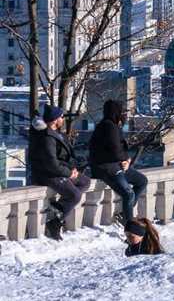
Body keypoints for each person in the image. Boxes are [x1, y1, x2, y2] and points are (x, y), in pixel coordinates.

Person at [28, 105, 92, 241]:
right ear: (54, 120)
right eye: (61, 117)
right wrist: (68, 174)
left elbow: (65, 156)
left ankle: (56, 208)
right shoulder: (47, 137)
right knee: (74, 195)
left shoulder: (57, 134)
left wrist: (72, 169)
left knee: (85, 181)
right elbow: (51, 164)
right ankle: (54, 223)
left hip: (60, 171)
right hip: (47, 174)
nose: (63, 119)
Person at [88, 99, 147, 224]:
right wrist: (124, 160)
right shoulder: (109, 127)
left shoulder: (110, 125)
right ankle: (129, 226)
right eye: (122, 112)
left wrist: (125, 160)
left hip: (116, 165)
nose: (124, 115)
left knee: (142, 181)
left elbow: (117, 149)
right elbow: (115, 150)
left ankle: (126, 212)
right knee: (128, 194)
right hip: (106, 168)